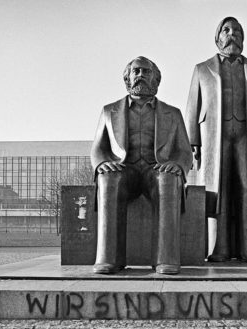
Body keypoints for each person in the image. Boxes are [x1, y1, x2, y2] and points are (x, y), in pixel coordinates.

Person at [186, 17, 247, 263]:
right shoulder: (202, 69)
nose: (232, 34)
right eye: (226, 30)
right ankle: (219, 249)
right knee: (218, 190)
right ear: (217, 37)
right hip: (214, 138)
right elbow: (192, 108)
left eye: (237, 30)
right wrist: (191, 142)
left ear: (243, 38)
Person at [91, 56, 192, 274]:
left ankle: (166, 259)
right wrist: (102, 163)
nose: (140, 76)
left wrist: (178, 165)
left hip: (155, 171)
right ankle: (109, 259)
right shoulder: (109, 111)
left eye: (146, 72)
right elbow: (98, 148)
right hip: (124, 171)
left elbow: (184, 150)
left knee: (168, 179)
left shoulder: (172, 113)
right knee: (108, 178)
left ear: (156, 80)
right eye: (136, 71)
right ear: (127, 79)